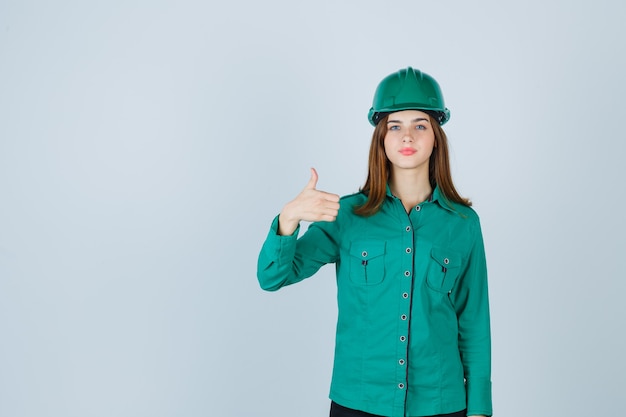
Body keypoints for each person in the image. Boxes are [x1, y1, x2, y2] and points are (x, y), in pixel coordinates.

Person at [257, 67, 492, 417]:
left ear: (436, 137)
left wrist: (479, 409)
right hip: (360, 402)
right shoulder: (347, 216)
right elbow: (273, 277)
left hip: (440, 404)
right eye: (395, 126)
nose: (407, 136)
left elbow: (474, 321)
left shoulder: (462, 224)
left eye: (420, 125)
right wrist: (288, 218)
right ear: (381, 138)